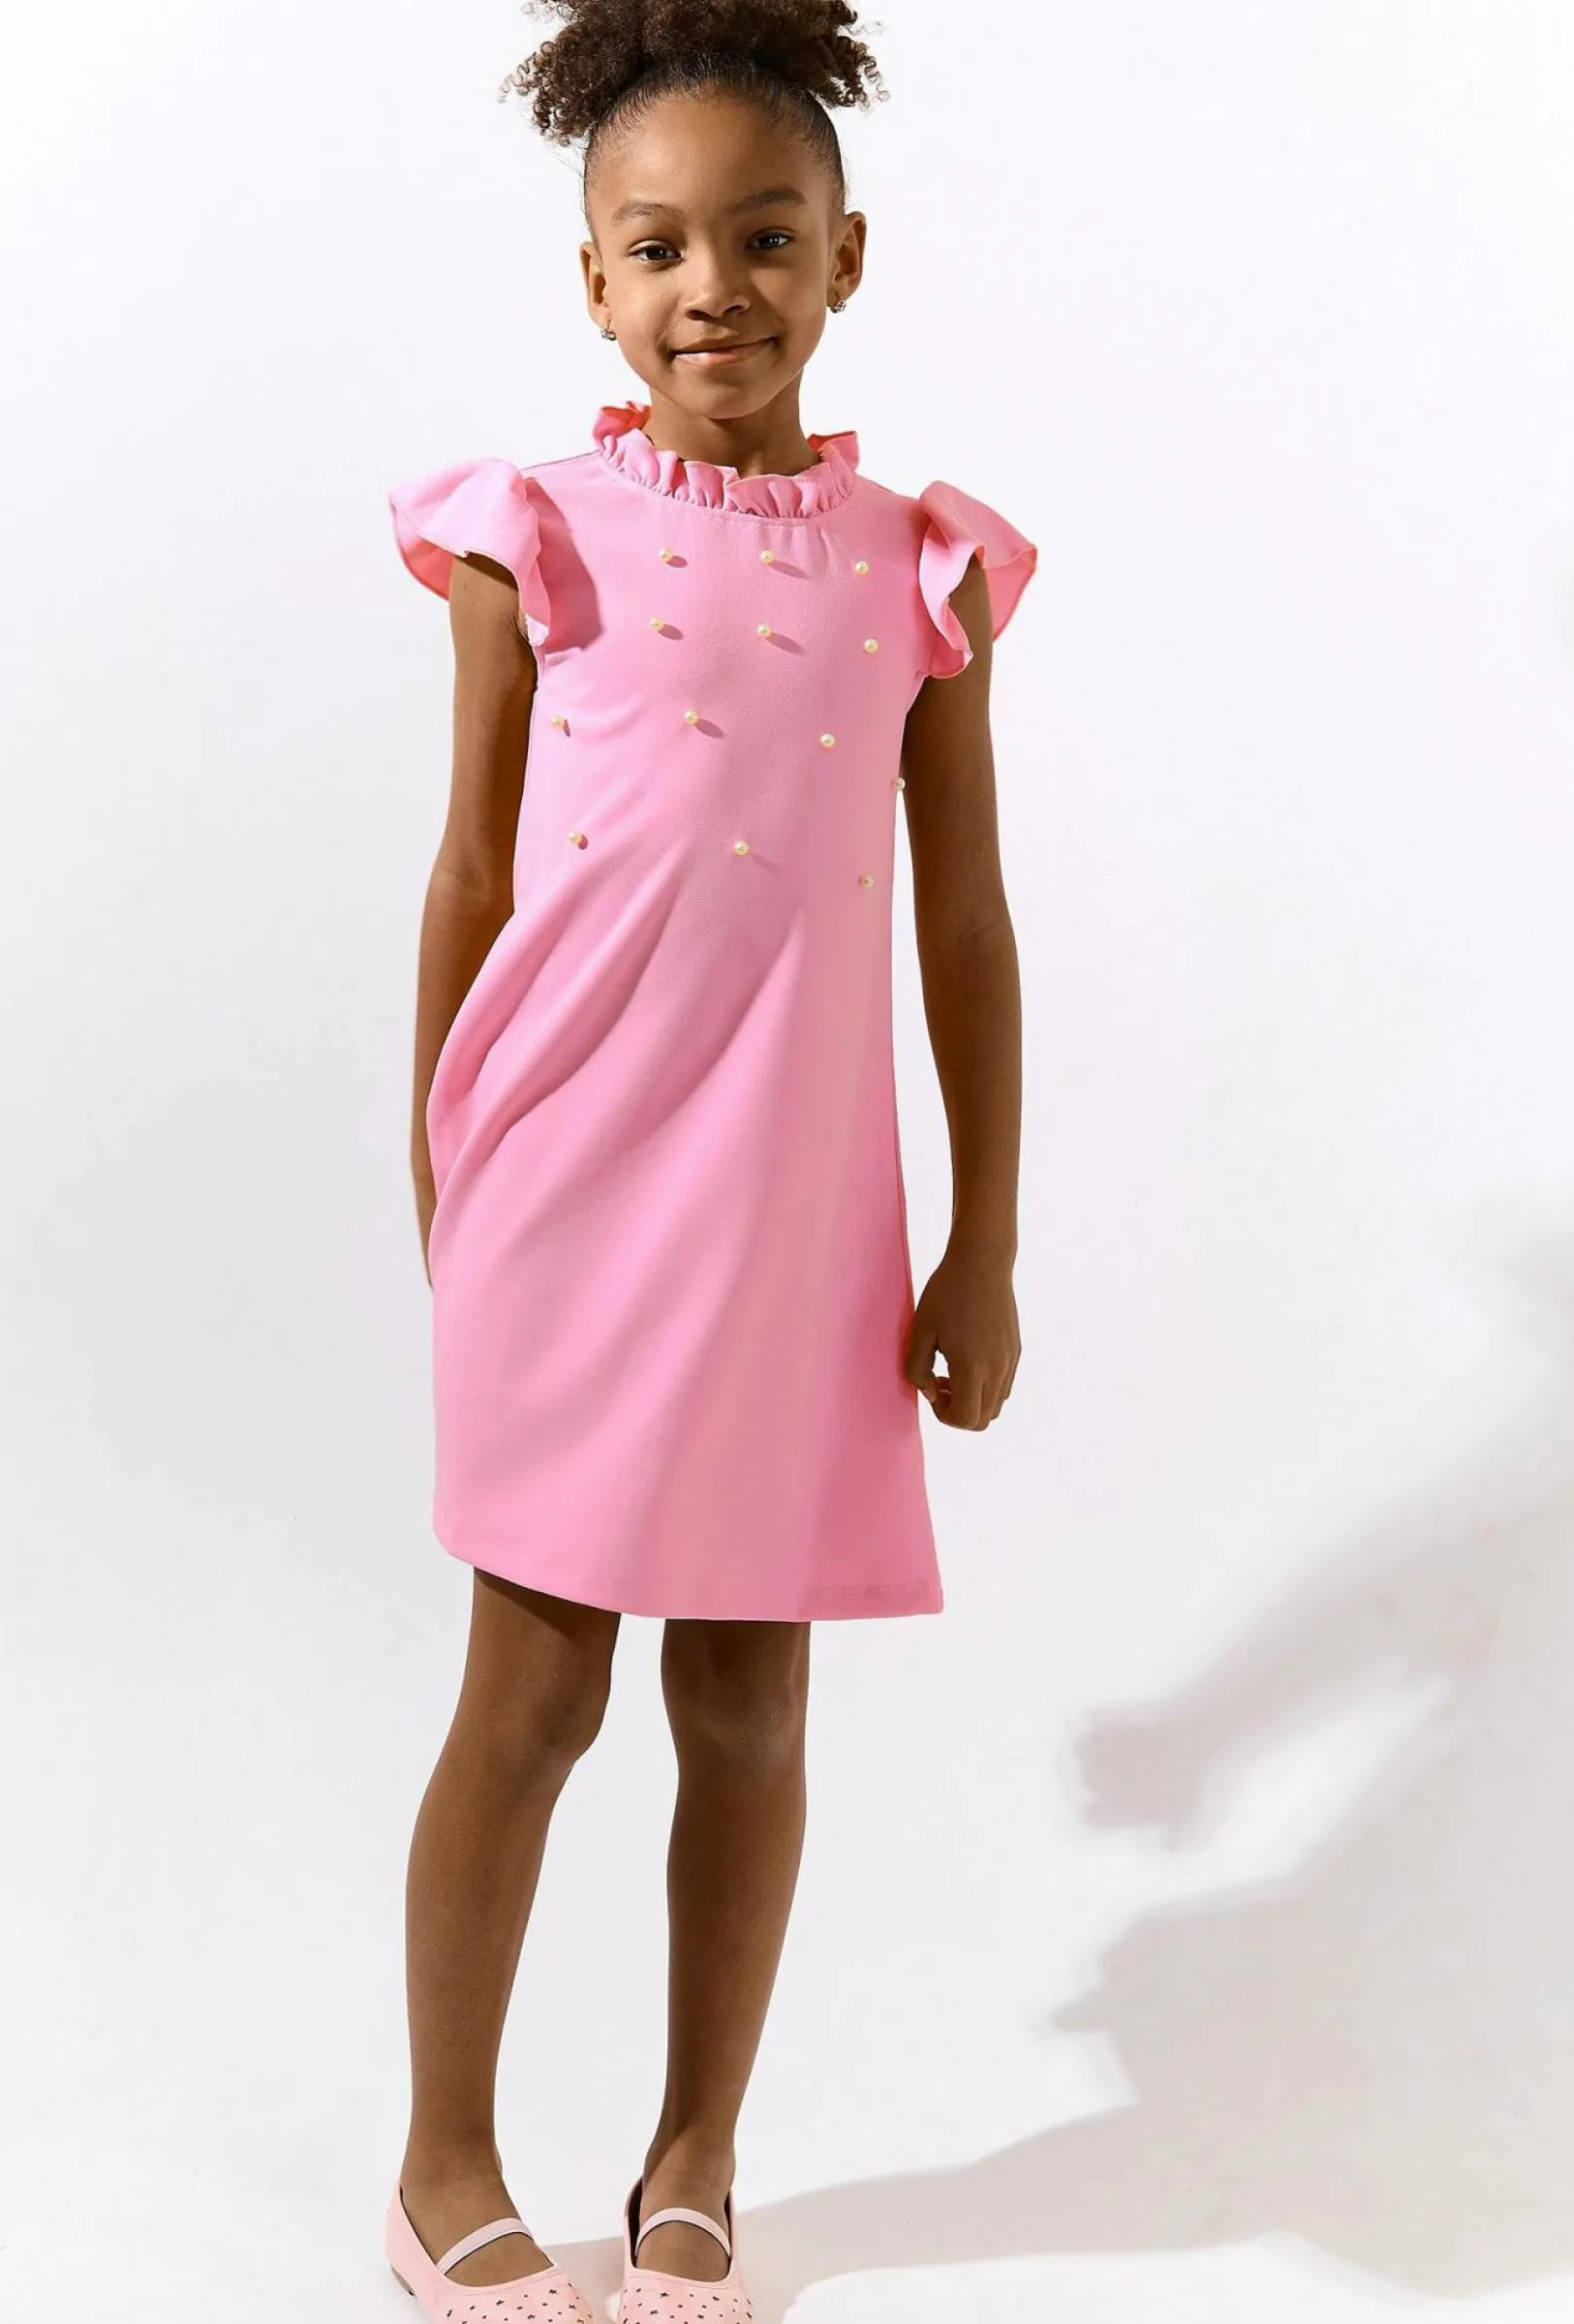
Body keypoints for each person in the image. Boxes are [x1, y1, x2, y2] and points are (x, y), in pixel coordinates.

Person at [381, 5, 1036, 2318]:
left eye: (765, 238)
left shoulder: (921, 571)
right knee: (537, 1690)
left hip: (794, 1212)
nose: (714, 288)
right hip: (564, 1189)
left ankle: (696, 2151)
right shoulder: (532, 535)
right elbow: (470, 875)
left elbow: (966, 921)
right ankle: (443, 2158)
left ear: (846, 257)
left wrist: (982, 1247)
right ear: (592, 281)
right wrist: (440, 1162)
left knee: (746, 1703)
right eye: (657, 247)